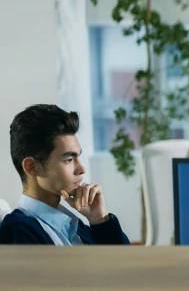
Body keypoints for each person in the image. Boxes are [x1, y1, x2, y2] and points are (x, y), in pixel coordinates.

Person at [0, 105, 129, 245]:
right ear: (32, 166)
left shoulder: (75, 226)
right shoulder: (17, 232)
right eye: (69, 160)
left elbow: (126, 265)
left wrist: (100, 219)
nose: (81, 169)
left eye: (78, 157)